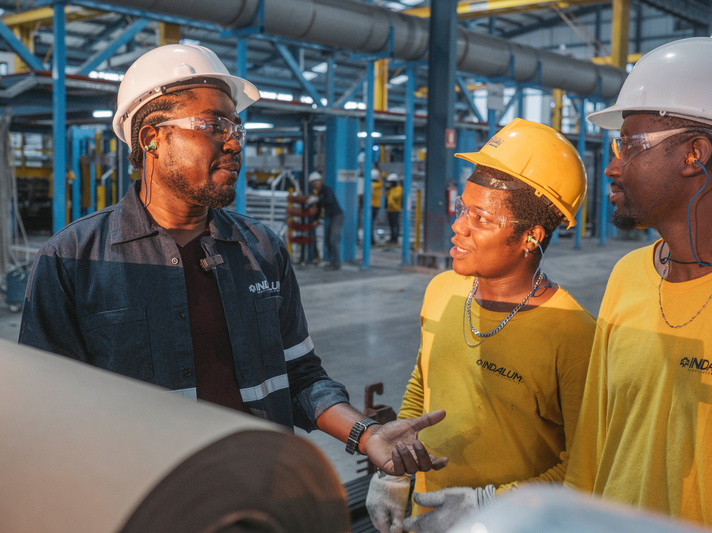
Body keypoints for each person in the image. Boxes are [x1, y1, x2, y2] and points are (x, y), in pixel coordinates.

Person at [18, 44, 445, 477]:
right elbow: (49, 411)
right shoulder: (74, 259)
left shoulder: (260, 249)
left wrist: (365, 432)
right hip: (144, 501)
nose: (234, 140)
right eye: (212, 124)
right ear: (151, 138)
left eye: (236, 125)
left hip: (257, 489)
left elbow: (298, 373)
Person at [564, 37, 712, 532]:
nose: (611, 166)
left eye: (628, 144)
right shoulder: (628, 276)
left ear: (695, 153)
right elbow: (592, 449)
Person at [367, 119, 597, 533]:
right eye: (462, 208)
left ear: (532, 236)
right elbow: (424, 383)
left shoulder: (573, 335)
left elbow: (586, 470)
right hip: (427, 518)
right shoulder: (443, 290)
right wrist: (395, 471)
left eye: (482, 218)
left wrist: (489, 506)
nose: (459, 226)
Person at [290, 171, 345, 271]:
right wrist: (316, 220)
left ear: (320, 181)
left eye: (316, 182)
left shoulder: (326, 190)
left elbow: (329, 201)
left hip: (338, 216)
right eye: (313, 182)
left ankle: (336, 264)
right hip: (332, 217)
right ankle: (333, 262)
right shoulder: (319, 193)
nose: (315, 184)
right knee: (328, 240)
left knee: (333, 240)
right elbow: (319, 209)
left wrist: (317, 199)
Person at [385, 173, 403, 244]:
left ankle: (395, 238)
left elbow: (395, 197)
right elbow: (387, 198)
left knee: (395, 225)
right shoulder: (391, 190)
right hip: (390, 209)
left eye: (390, 182)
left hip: (395, 210)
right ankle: (392, 237)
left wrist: (390, 190)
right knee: (391, 225)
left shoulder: (399, 189)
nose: (389, 183)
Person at [371, 167, 383, 244]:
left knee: (369, 224)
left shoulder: (371, 185)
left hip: (371, 206)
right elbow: (381, 178)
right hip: (376, 206)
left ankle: (371, 240)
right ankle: (371, 240)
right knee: (371, 224)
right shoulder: (380, 184)